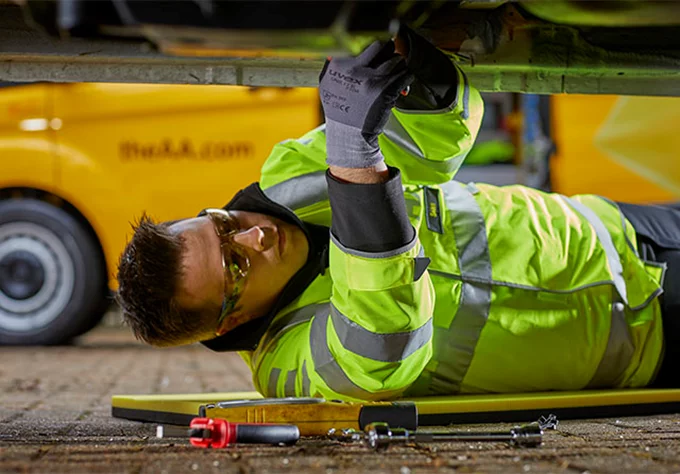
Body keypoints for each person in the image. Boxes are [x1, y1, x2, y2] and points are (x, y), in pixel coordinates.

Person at [116, 28, 678, 402]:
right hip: (641, 345)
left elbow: (435, 140)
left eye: (221, 225)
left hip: (614, 229)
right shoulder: (288, 371)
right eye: (235, 266)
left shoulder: (285, 180)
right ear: (230, 322)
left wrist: (406, 65)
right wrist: (353, 163)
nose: (256, 233)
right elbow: (384, 344)